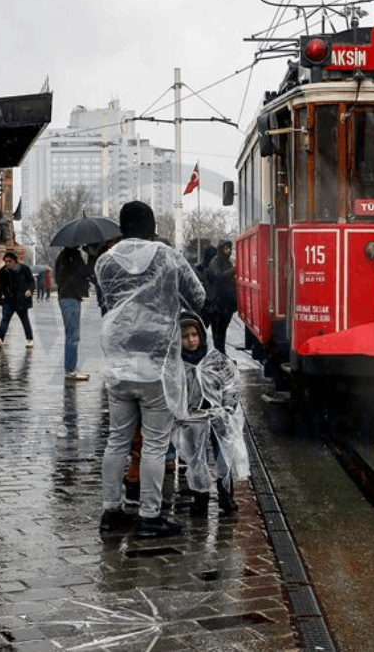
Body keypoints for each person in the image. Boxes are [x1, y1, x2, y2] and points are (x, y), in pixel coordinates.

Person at [95, 201, 207, 538]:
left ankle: (111, 511)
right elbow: (198, 296)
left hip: (118, 360)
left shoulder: (104, 261)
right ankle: (149, 515)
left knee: (117, 440)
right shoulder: (167, 256)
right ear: (152, 224)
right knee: (156, 444)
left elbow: (110, 302)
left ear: (121, 227)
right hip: (156, 363)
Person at [174, 312, 249, 514]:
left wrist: (227, 409)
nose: (191, 340)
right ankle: (201, 498)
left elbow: (230, 385)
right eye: (185, 336)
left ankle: (226, 495)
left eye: (194, 335)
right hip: (192, 419)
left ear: (201, 335)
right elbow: (172, 393)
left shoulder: (215, 360)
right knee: (196, 460)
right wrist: (181, 414)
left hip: (218, 417)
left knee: (224, 457)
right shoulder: (175, 365)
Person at [54, 247, 90, 381]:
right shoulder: (73, 256)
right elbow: (82, 273)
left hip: (66, 295)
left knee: (71, 334)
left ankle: (70, 368)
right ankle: (70, 370)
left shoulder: (63, 256)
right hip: (70, 296)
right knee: (73, 335)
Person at [0, 250, 36, 349]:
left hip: (21, 299)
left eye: (10, 261)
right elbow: (1, 285)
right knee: (5, 319)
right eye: (6, 261)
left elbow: (31, 282)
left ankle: (29, 339)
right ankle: (0, 339)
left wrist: (29, 290)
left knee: (24, 320)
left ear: (15, 261)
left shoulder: (24, 269)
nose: (8, 263)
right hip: (8, 299)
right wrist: (1, 295)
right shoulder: (3, 271)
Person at [204, 240, 237, 355]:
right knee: (218, 333)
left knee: (221, 333)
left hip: (226, 304)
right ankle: (219, 356)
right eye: (225, 248)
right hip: (218, 305)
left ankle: (221, 355)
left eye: (229, 248)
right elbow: (219, 276)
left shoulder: (226, 262)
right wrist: (234, 270)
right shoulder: (216, 261)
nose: (228, 251)